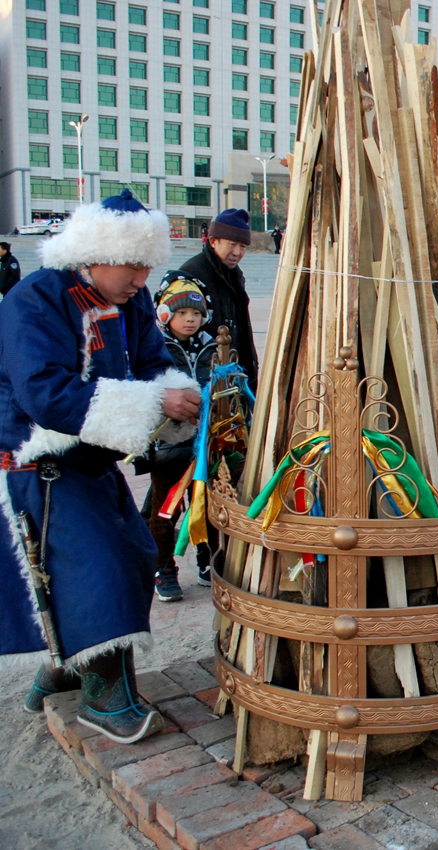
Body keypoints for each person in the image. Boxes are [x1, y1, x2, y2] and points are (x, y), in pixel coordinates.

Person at [0, 189, 202, 743]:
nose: (142, 279)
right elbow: (44, 394)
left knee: (135, 555)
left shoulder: (130, 298)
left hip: (91, 458)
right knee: (97, 568)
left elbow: (153, 359)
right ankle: (102, 697)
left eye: (146, 265)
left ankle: (63, 672)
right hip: (39, 459)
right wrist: (155, 401)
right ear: (95, 253)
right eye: (132, 265)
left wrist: (177, 393)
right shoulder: (33, 299)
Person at [146, 272, 219, 601]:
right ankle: (163, 568)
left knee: (205, 506)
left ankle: (208, 561)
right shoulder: (154, 348)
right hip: (168, 445)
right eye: (181, 312)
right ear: (165, 314)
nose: (190, 319)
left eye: (196, 313)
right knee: (165, 511)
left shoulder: (212, 347)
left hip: (204, 445)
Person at [181, 209, 259, 391]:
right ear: (213, 241)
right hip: (207, 375)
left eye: (243, 247)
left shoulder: (235, 275)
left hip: (235, 369)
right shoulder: (192, 273)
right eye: (232, 244)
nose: (237, 252)